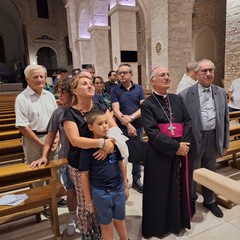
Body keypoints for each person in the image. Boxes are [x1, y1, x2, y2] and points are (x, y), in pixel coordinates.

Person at [62, 75, 117, 239]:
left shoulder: (100, 106)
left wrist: (109, 146)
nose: (90, 85)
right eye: (84, 83)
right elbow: (75, 140)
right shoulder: (70, 113)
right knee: (86, 200)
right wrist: (102, 143)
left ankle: (98, 228)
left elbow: (114, 130)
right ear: (74, 90)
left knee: (99, 197)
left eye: (91, 83)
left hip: (101, 162)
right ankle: (86, 231)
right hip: (80, 164)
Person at [141, 66, 193, 238]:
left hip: (180, 149)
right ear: (153, 81)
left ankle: (178, 221)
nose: (167, 77)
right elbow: (152, 132)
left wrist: (183, 144)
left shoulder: (177, 99)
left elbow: (187, 121)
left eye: (168, 74)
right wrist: (175, 147)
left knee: (178, 186)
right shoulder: (147, 104)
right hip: (159, 153)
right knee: (160, 190)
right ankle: (159, 226)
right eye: (162, 75)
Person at [179, 59, 229, 218]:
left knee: (210, 170)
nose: (208, 74)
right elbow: (181, 122)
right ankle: (191, 200)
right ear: (197, 73)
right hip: (194, 138)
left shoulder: (221, 92)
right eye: (204, 71)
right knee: (193, 171)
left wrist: (224, 142)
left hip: (213, 137)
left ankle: (209, 200)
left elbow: (226, 119)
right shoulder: (185, 94)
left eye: (211, 71)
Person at [15, 64, 67, 218]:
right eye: (35, 77)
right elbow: (23, 127)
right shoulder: (22, 98)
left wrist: (57, 137)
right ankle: (43, 203)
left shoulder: (49, 95)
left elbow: (57, 117)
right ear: (27, 79)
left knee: (56, 169)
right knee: (38, 173)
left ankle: (57, 197)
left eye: (42, 76)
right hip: (34, 139)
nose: (39, 79)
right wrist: (42, 144)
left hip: (53, 136)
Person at [30, 78, 78, 236]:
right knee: (70, 190)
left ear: (71, 92)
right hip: (67, 157)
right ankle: (72, 218)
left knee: (89, 190)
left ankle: (90, 218)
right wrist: (44, 155)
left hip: (87, 157)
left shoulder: (82, 108)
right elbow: (50, 136)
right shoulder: (59, 112)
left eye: (62, 92)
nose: (59, 96)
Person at [79, 110, 129, 240]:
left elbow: (121, 163)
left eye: (106, 122)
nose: (105, 126)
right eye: (100, 124)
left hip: (118, 188)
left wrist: (126, 185)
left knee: (120, 219)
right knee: (106, 225)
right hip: (101, 192)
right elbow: (84, 175)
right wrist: (89, 201)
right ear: (90, 127)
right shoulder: (87, 149)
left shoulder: (114, 143)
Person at [111, 63, 145, 193]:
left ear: (131, 74)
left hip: (138, 126)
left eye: (125, 72)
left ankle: (137, 179)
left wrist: (130, 118)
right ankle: (123, 180)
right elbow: (116, 110)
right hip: (122, 128)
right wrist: (128, 124)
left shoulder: (139, 89)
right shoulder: (115, 90)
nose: (122, 75)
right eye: (120, 73)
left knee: (137, 154)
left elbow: (143, 108)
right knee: (122, 154)